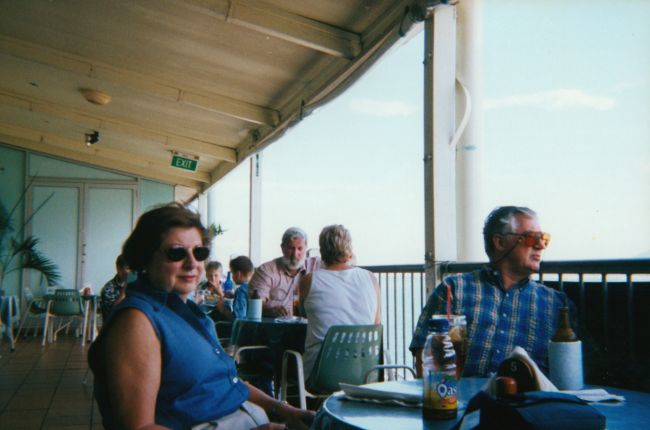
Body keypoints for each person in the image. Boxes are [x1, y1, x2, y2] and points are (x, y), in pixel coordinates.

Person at [87, 203, 314, 430]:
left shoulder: (188, 313)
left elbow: (229, 383)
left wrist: (283, 410)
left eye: (199, 252)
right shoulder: (137, 321)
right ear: (145, 258)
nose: (192, 263)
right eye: (176, 252)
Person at [409, 206, 574, 378]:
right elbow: (424, 353)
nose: (541, 246)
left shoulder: (556, 304)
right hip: (464, 402)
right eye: (532, 238)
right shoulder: (454, 289)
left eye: (544, 239)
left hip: (528, 403)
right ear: (500, 242)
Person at [299, 224, 381, 377]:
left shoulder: (309, 280)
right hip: (365, 369)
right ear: (349, 249)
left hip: (322, 372)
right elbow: (376, 323)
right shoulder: (370, 278)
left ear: (322, 251)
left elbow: (303, 314)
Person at [249, 227, 319, 317]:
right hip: (273, 328)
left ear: (306, 247)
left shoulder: (316, 265)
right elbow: (255, 305)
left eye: (300, 249)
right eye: (290, 248)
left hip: (307, 328)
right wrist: (270, 310)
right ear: (282, 248)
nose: (295, 254)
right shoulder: (266, 270)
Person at [213, 255, 255, 321]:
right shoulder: (254, 287)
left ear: (238, 274)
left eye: (232, 273)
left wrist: (223, 310)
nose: (232, 276)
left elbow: (237, 319)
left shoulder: (241, 290)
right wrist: (234, 295)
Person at [99, 255, 131, 321]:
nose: (130, 272)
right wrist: (124, 289)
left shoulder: (136, 286)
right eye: (128, 268)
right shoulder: (108, 289)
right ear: (118, 268)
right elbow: (112, 314)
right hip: (114, 327)